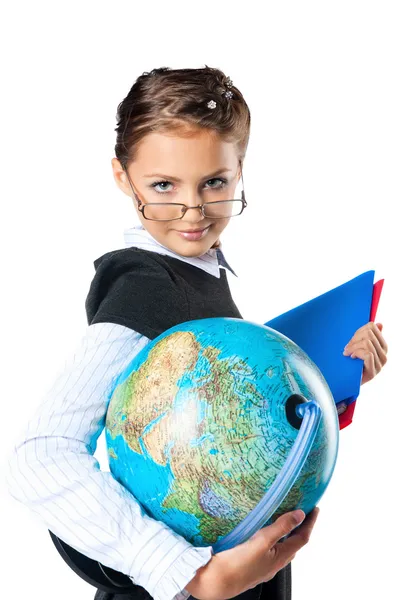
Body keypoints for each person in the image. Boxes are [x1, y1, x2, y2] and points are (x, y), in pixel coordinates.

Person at [6, 65, 387, 600]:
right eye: (163, 185)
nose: (192, 209)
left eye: (214, 182)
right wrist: (186, 574)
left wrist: (330, 381)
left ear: (240, 170)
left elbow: (213, 422)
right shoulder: (145, 289)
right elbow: (39, 455)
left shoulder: (195, 271)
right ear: (123, 177)